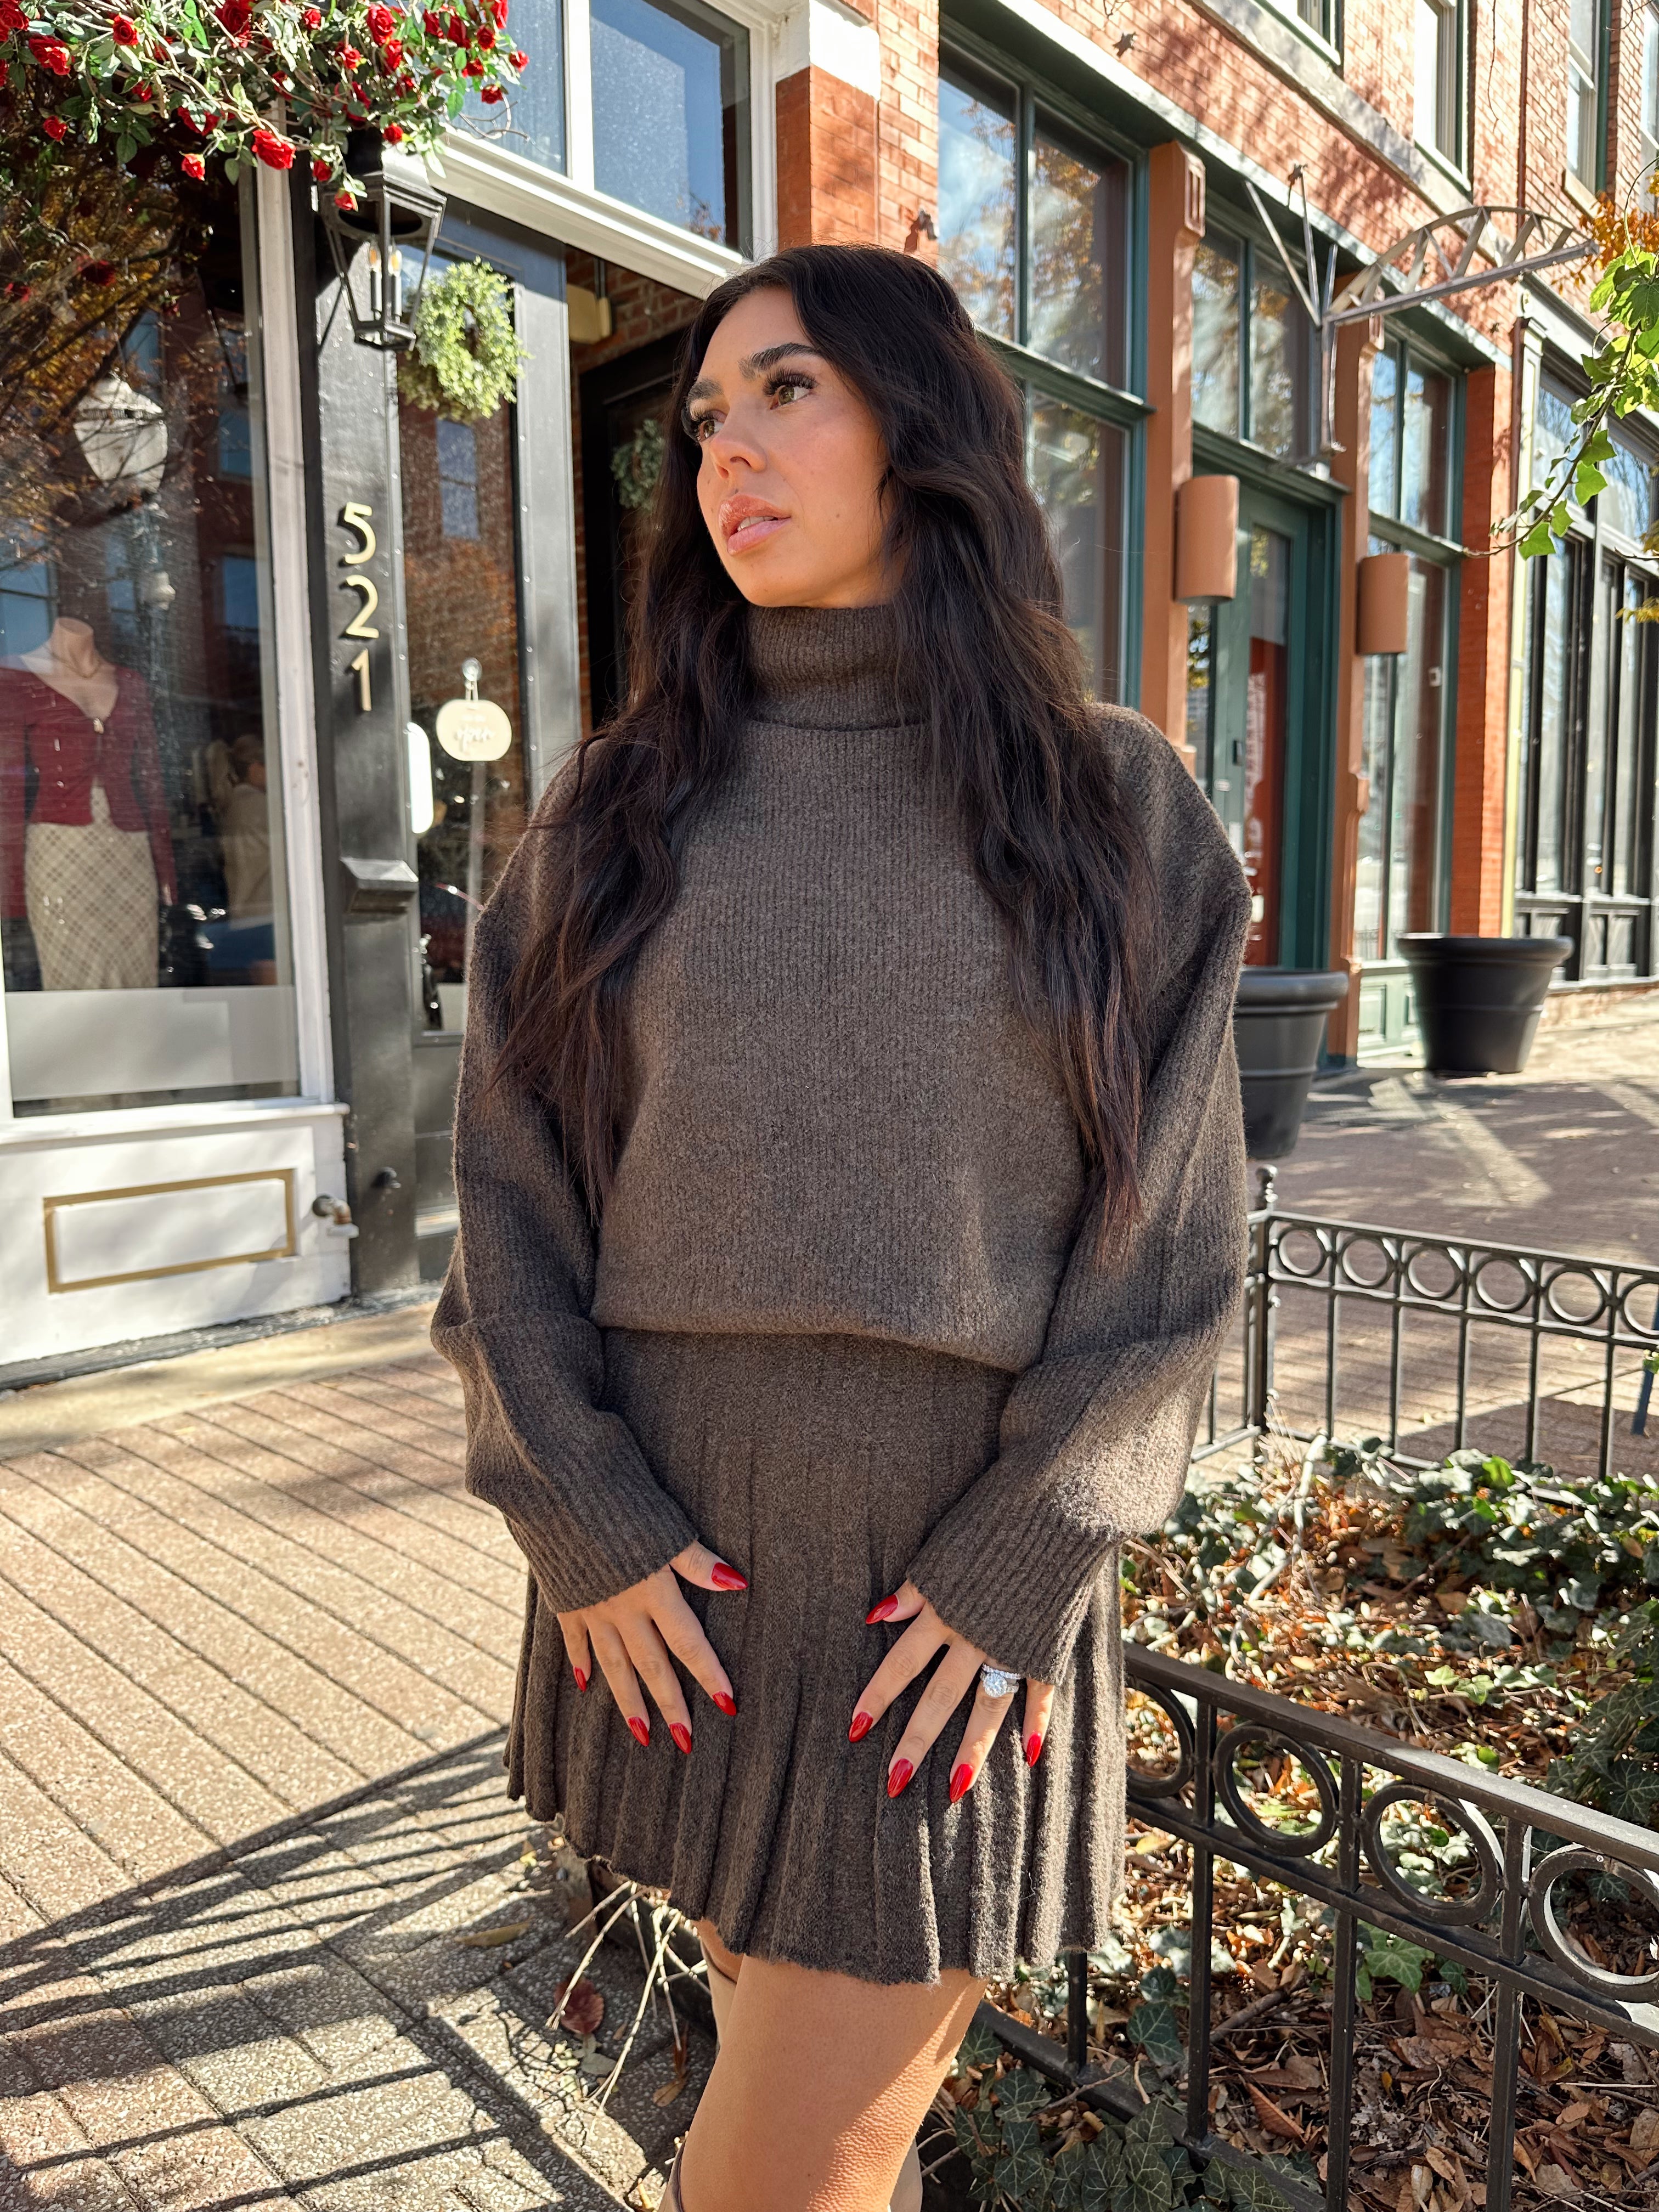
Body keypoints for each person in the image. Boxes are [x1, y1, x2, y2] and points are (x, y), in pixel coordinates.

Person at [434, 243, 1251, 2212]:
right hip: (674, 1597)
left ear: (922, 424)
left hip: (942, 1624)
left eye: (785, 391)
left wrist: (1023, 1557)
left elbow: (1174, 1258)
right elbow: (509, 1213)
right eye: (706, 416)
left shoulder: (1113, 806)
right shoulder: (613, 814)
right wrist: (586, 1522)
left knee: (784, 2170)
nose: (729, 451)